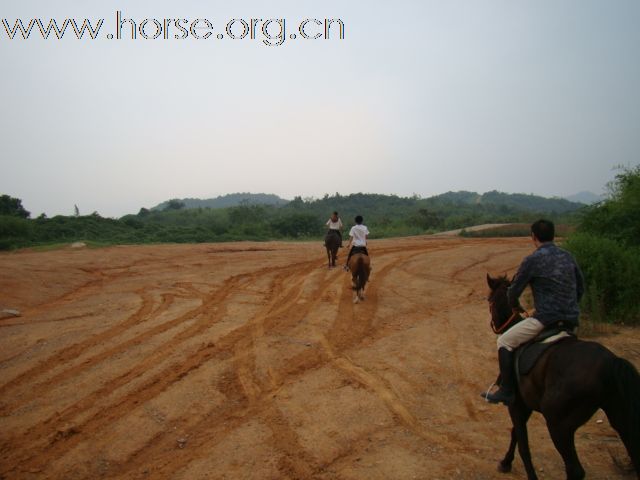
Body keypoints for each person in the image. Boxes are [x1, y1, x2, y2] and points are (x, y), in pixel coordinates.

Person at [481, 219, 584, 405]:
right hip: (571, 321)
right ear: (553, 235)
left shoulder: (533, 260)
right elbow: (580, 288)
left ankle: (506, 390)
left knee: (504, 341)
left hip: (545, 319)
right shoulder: (568, 257)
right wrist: (569, 306)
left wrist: (516, 307)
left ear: (533, 237)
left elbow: (513, 291)